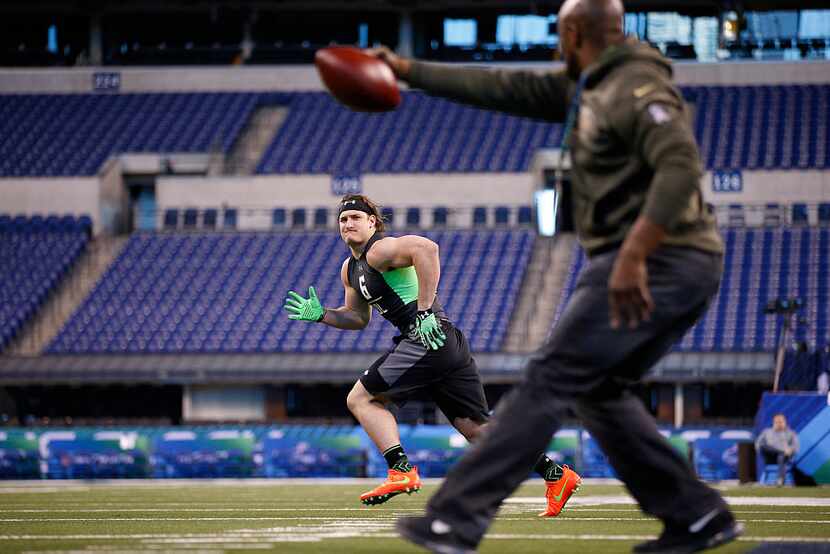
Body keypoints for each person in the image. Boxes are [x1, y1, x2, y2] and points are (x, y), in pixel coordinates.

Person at [368, 0, 745, 552]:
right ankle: (696, 516)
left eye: (556, 34)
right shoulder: (589, 89)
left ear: (572, 33)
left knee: (550, 377)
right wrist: (406, 70)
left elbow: (681, 164)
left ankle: (457, 517)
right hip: (646, 261)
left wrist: (635, 256)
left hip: (657, 259)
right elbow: (501, 87)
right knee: (596, 390)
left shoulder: (635, 85)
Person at [284, 194, 580, 513]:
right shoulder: (350, 269)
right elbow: (357, 318)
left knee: (360, 399)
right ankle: (555, 474)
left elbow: (427, 248)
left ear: (373, 222)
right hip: (443, 342)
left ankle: (400, 470)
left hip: (426, 337)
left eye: (356, 217)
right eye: (343, 219)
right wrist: (323, 314)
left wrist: (424, 309)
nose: (348, 223)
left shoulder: (379, 249)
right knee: (478, 429)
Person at [755, 413, 799, 486]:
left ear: (785, 422)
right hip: (770, 456)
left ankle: (780, 480)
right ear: (773, 423)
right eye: (777, 422)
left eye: (781, 422)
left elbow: (796, 447)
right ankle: (781, 451)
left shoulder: (791, 433)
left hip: (785, 457)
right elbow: (758, 444)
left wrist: (790, 450)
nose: (779, 424)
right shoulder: (766, 432)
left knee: (781, 456)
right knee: (763, 445)